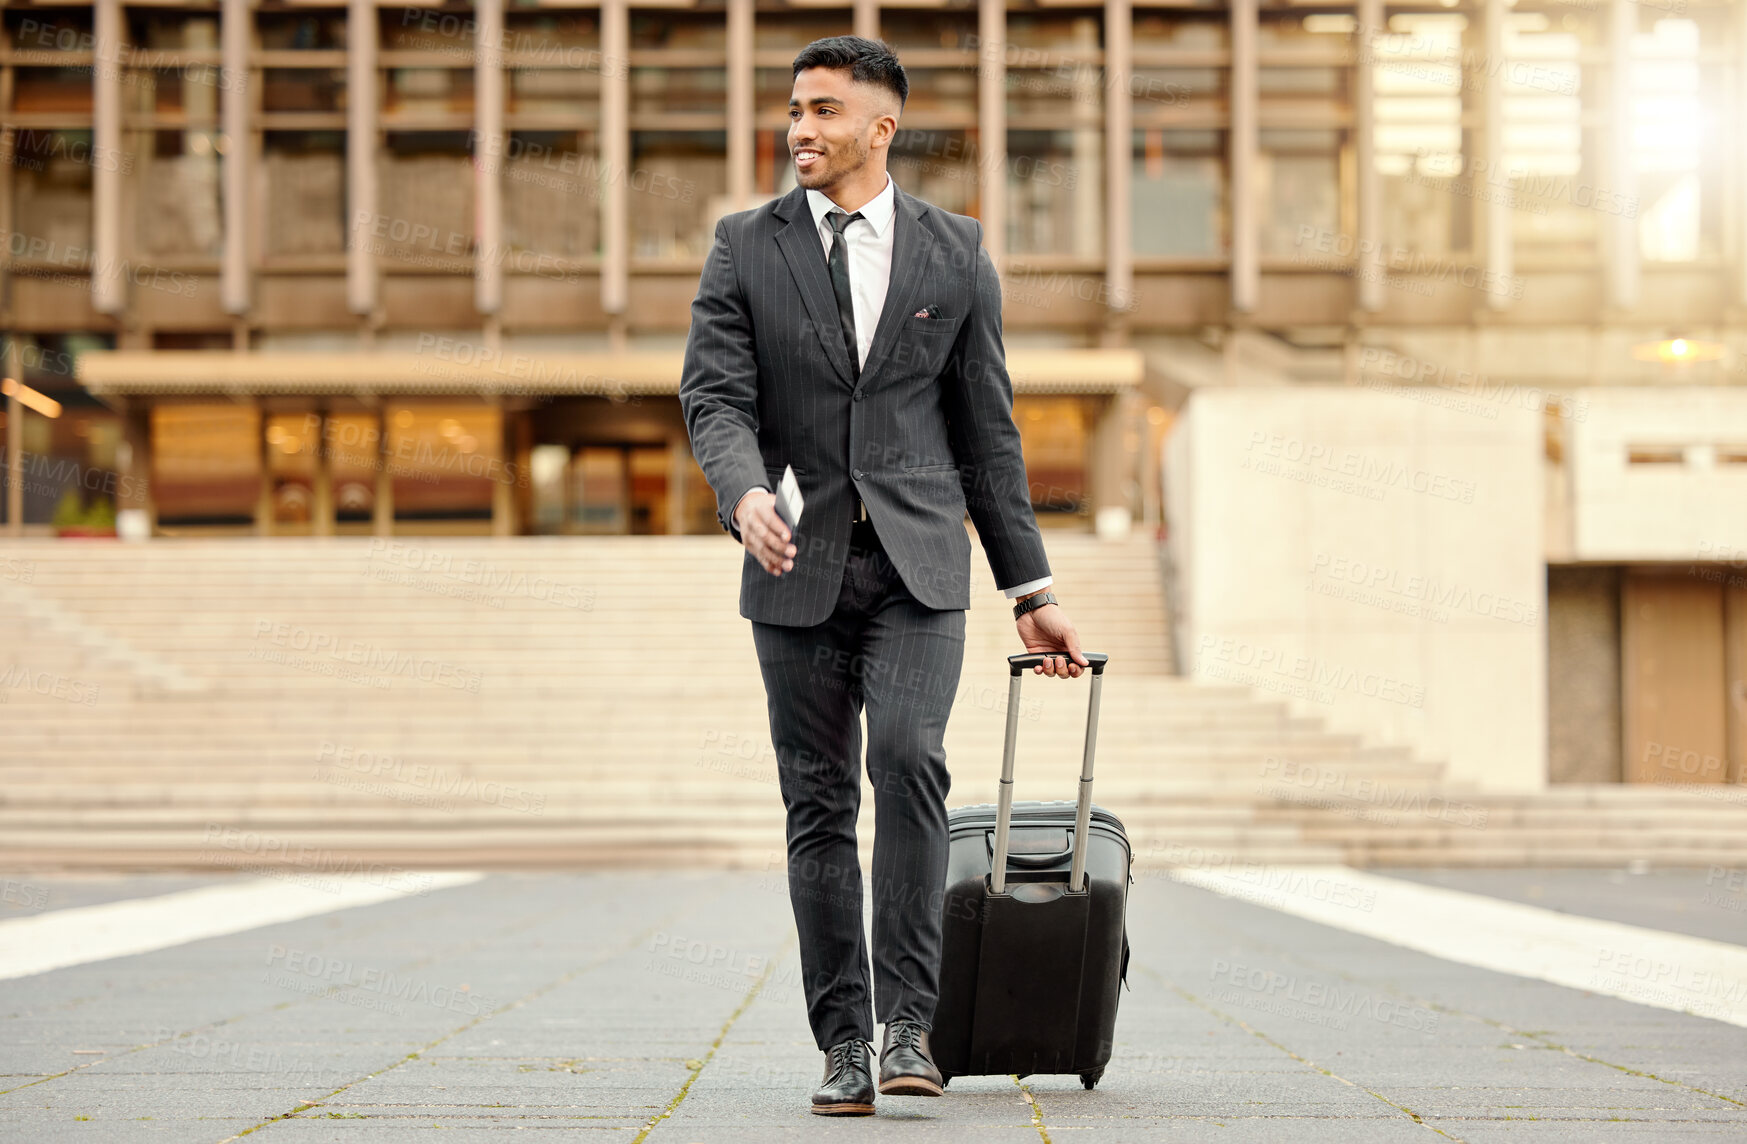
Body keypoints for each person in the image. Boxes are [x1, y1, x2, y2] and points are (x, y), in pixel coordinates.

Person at [678, 34, 1088, 1117]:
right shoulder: (743, 247)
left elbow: (986, 433)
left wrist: (1030, 589)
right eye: (794, 109)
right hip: (793, 563)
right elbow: (712, 398)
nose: (799, 129)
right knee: (816, 804)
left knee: (908, 761)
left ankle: (910, 1019)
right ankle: (844, 1043)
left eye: (822, 110)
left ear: (879, 126)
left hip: (918, 565)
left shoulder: (954, 250)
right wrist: (742, 492)